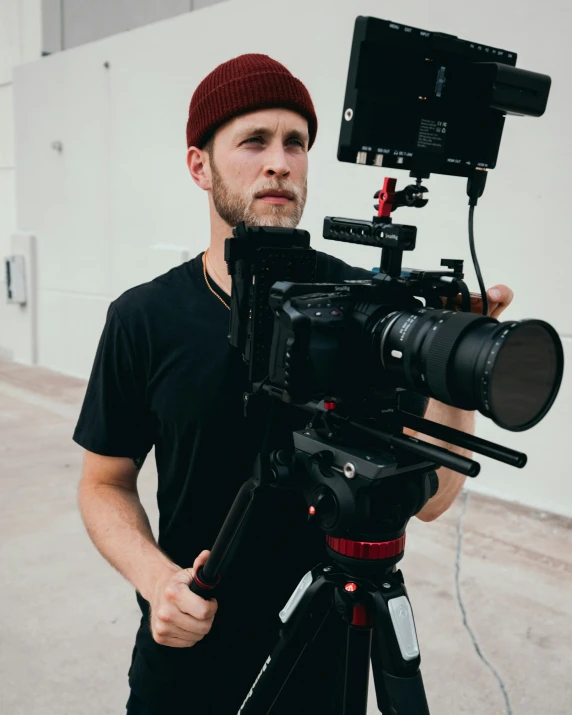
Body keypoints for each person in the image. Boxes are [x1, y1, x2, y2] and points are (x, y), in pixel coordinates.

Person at [73, 54, 514, 714]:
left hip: (326, 661)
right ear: (201, 166)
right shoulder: (144, 317)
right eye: (253, 141)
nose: (279, 161)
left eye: (295, 143)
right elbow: (102, 481)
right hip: (189, 663)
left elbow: (432, 498)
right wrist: (156, 578)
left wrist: (457, 359)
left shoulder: (368, 308)